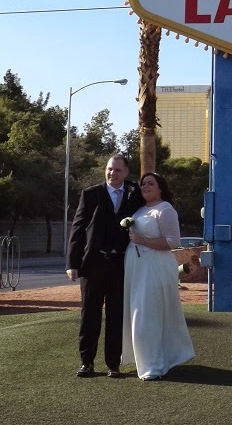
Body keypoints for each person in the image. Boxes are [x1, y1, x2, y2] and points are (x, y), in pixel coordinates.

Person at [66, 154, 142, 378]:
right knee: (89, 315)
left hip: (121, 265)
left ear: (126, 172)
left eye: (118, 170)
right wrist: (73, 263)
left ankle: (113, 364)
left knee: (116, 315)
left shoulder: (133, 194)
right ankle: (86, 362)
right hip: (93, 265)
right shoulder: (91, 194)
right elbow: (78, 229)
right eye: (110, 169)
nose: (112, 173)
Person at [122, 171, 195, 381]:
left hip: (155, 268)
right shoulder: (140, 210)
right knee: (138, 312)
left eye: (150, 183)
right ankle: (144, 358)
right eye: (143, 184)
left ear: (160, 187)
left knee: (148, 314)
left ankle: (154, 365)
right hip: (137, 269)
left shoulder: (165, 210)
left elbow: (172, 242)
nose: (145, 187)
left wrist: (140, 240)